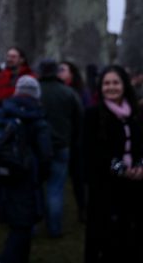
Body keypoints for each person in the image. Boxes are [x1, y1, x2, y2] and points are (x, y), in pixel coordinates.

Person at [0, 75, 52, 263]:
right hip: (26, 176)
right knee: (22, 226)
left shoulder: (0, 113)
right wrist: (42, 175)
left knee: (15, 221)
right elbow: (45, 153)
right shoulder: (38, 118)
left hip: (2, 173)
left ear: (17, 91)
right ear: (36, 94)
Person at [84, 65, 143, 262]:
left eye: (115, 82)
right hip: (105, 186)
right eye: (106, 83)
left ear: (124, 85)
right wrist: (121, 170)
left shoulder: (136, 113)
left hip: (135, 185)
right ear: (100, 87)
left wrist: (140, 165)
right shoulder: (93, 115)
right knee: (107, 237)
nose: (111, 87)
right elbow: (93, 152)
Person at [37, 59, 83, 237]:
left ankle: (32, 225)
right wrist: (72, 140)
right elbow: (79, 119)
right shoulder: (68, 92)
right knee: (55, 188)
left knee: (36, 186)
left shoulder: (35, 91)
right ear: (56, 72)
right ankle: (54, 229)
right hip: (62, 145)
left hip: (39, 147)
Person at [57, 60, 90, 222]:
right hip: (61, 142)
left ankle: (82, 208)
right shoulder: (56, 91)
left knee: (78, 179)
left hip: (77, 143)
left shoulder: (81, 92)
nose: (59, 73)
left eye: (63, 70)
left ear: (72, 73)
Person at [0, 47, 34, 122]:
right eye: (8, 56)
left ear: (21, 59)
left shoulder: (30, 78)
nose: (9, 59)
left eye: (13, 57)